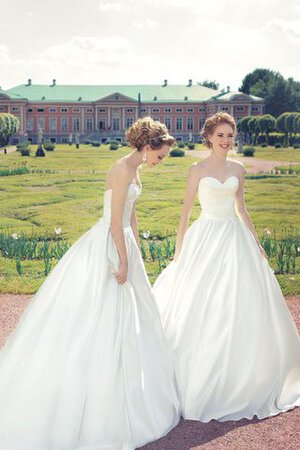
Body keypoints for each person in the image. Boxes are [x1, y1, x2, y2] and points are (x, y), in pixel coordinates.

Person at [0, 117, 180, 450]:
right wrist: (123, 259)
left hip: (124, 241)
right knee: (97, 315)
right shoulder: (121, 170)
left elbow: (131, 214)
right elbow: (114, 220)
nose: (161, 161)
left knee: (132, 317)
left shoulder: (136, 168)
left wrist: (136, 247)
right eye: (161, 155)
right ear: (148, 145)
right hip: (109, 245)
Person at [153, 112, 300, 422]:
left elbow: (241, 208)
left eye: (230, 135)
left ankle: (241, 374)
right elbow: (186, 211)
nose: (226, 141)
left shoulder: (238, 169)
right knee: (200, 302)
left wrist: (256, 242)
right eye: (220, 135)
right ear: (209, 137)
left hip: (234, 237)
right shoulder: (196, 170)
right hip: (205, 236)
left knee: (237, 302)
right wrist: (180, 249)